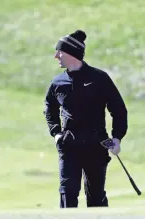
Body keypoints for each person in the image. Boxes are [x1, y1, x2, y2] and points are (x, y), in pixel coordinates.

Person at [43, 30, 128, 208]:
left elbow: (119, 110)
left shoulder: (100, 79)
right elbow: (49, 109)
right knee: (67, 193)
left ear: (72, 53)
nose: (56, 56)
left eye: (59, 52)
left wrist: (117, 137)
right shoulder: (58, 83)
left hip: (97, 145)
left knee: (96, 197)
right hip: (69, 146)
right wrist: (57, 134)